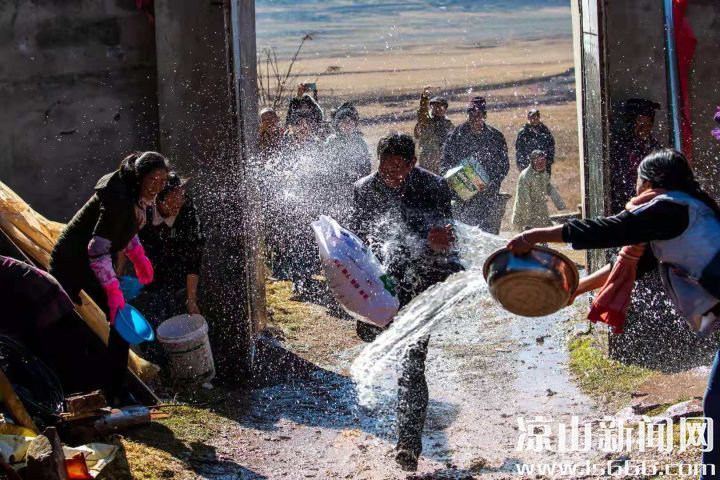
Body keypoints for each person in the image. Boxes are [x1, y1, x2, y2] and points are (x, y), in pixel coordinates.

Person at [507, 149, 720, 478]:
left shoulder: (669, 208)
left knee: (717, 404)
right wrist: (573, 291)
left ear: (648, 181)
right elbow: (624, 267)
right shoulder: (675, 214)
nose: (635, 189)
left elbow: (606, 230)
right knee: (716, 403)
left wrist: (536, 235)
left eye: (638, 181)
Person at [351, 132, 464, 471]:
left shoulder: (434, 188)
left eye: (399, 168)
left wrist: (440, 242)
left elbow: (447, 238)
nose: (391, 176)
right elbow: (357, 243)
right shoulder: (364, 190)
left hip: (421, 287)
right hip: (380, 287)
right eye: (385, 168)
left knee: (412, 363)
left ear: (413, 164)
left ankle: (408, 444)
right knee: (373, 338)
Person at [49, 151, 170, 406]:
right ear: (140, 177)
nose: (158, 186)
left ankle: (116, 390)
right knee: (60, 321)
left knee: (121, 323)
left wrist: (139, 258)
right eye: (153, 180)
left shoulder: (137, 195)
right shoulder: (118, 197)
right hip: (71, 260)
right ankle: (61, 390)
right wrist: (114, 292)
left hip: (92, 259)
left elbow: (124, 230)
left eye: (163, 180)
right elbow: (97, 249)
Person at [130, 172, 205, 361]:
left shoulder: (188, 210)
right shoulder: (143, 210)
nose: (178, 202)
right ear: (159, 200)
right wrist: (118, 275)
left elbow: (193, 257)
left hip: (179, 276)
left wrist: (191, 298)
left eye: (181, 195)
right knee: (154, 321)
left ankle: (184, 367)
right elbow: (127, 242)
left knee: (180, 321)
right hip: (149, 277)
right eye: (173, 198)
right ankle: (158, 369)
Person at [441, 96, 510, 234]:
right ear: (467, 114)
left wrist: (492, 182)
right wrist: (451, 179)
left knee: (488, 235)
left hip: (488, 194)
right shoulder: (455, 135)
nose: (475, 117)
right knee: (462, 233)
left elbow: (503, 165)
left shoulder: (496, 137)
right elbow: (445, 162)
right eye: (472, 113)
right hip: (461, 195)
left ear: (484, 115)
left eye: (479, 114)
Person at [610, 98, 662, 212]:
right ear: (631, 124)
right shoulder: (621, 147)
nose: (643, 129)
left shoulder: (656, 149)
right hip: (625, 203)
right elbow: (619, 179)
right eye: (639, 124)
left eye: (647, 124)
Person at [324, 102, 372, 222]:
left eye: (350, 121)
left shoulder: (360, 142)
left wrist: (358, 175)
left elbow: (367, 165)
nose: (347, 124)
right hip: (336, 184)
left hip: (356, 183)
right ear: (337, 124)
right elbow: (326, 163)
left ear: (355, 124)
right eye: (344, 122)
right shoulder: (331, 141)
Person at [511, 150, 566, 230]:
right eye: (538, 162)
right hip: (525, 215)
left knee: (544, 236)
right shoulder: (526, 176)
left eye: (543, 161)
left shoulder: (543, 173)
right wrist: (527, 220)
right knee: (528, 239)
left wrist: (559, 204)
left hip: (540, 212)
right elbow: (523, 200)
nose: (541, 164)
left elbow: (549, 187)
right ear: (532, 162)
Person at [413, 86, 454, 174]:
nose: (437, 109)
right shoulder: (426, 122)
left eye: (440, 107)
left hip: (442, 166)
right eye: (434, 107)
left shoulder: (449, 125)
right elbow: (422, 113)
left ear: (445, 109)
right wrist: (424, 98)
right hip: (426, 164)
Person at [515, 108, 556, 174]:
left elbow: (551, 146)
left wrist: (548, 161)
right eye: (532, 117)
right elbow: (519, 150)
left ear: (539, 118)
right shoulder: (523, 132)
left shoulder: (545, 131)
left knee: (543, 184)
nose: (534, 119)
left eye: (536, 117)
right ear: (528, 118)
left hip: (543, 166)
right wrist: (522, 165)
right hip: (528, 166)